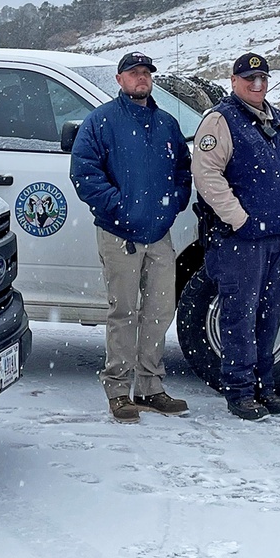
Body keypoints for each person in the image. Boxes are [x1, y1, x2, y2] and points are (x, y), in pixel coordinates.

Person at [70, 50, 192, 424]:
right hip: (119, 233)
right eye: (133, 73)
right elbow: (84, 172)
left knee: (159, 312)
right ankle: (119, 391)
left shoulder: (167, 124)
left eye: (146, 72)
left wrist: (171, 204)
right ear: (120, 80)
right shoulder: (101, 122)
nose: (141, 78)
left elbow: (182, 171)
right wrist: (118, 206)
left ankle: (151, 387)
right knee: (123, 313)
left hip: (159, 234)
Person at [191, 52, 280, 421]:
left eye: (262, 79)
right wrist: (239, 219)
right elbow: (207, 174)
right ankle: (240, 390)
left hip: (277, 236)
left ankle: (265, 386)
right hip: (240, 239)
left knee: (268, 314)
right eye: (249, 79)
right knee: (239, 316)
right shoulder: (220, 120)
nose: (257, 85)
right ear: (234, 81)